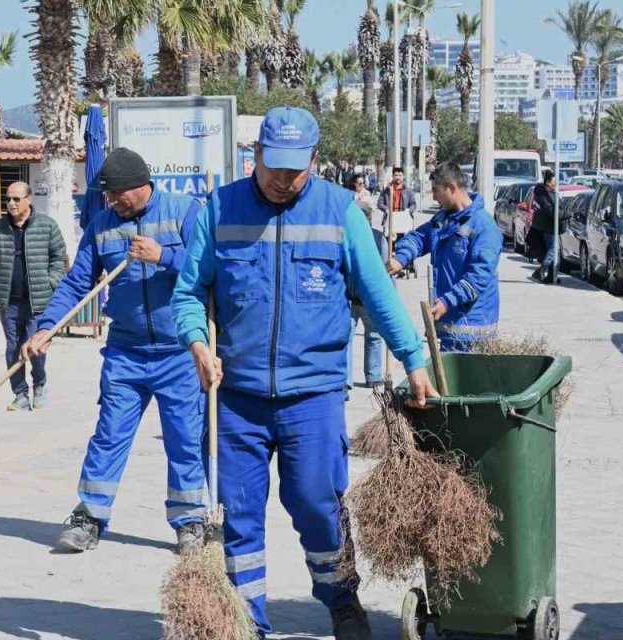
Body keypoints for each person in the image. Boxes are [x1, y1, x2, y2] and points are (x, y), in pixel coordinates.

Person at [172, 106, 439, 640]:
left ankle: (341, 599)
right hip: (237, 398)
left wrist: (413, 358)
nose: (282, 179)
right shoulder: (218, 210)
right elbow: (187, 292)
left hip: (313, 395)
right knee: (240, 516)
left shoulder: (339, 210)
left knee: (318, 503)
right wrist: (198, 343)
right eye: (273, 165)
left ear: (316, 160)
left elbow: (378, 294)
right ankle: (248, 622)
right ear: (256, 155)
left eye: (296, 168)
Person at [21, 148, 208, 555]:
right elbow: (76, 283)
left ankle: (190, 520)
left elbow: (211, 268)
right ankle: (90, 515)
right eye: (106, 196)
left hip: (180, 351)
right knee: (109, 434)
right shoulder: (102, 225)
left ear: (140, 187)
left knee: (185, 439)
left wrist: (165, 256)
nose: (110, 202)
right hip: (125, 351)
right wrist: (48, 326)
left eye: (116, 195)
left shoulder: (185, 212)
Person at [388, 163, 503, 352]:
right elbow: (420, 237)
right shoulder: (444, 219)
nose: (433, 197)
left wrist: (448, 301)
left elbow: (478, 277)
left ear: (452, 188)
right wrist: (401, 257)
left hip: (473, 332)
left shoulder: (485, 228)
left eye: (436, 191)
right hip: (448, 329)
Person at [0, 181, 67, 411]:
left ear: (29, 199)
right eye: (8, 199)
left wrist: (51, 282)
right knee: (12, 347)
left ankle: (39, 386)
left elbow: (59, 257)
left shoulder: (47, 226)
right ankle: (19, 394)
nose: (11, 203)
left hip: (38, 300)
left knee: (34, 346)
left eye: (16, 199)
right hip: (9, 301)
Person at [348, 199, 389, 389]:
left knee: (372, 336)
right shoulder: (345, 237)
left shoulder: (379, 239)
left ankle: (372, 376)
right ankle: (346, 379)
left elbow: (384, 268)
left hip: (367, 299)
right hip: (349, 298)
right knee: (347, 338)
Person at [530, 169, 558, 284]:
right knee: (554, 248)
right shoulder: (544, 194)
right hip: (548, 227)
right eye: (554, 181)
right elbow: (550, 211)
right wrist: (563, 213)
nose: (555, 183)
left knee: (554, 252)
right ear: (548, 182)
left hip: (548, 226)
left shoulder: (546, 192)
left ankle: (551, 276)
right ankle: (542, 269)